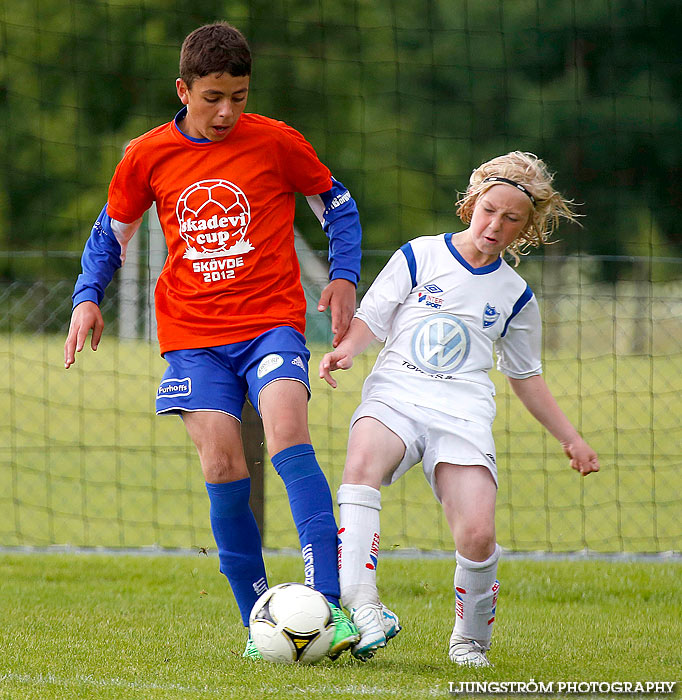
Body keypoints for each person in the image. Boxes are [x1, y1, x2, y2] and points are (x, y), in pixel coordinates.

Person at [64, 22, 362, 660]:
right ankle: (260, 621)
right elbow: (109, 232)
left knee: (288, 435)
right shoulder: (146, 156)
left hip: (271, 323)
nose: (227, 111)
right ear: (184, 89)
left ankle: (331, 608)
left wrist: (342, 278)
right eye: (213, 97)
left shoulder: (278, 143)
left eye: (240, 96)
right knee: (223, 464)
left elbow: (337, 205)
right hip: (192, 337)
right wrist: (87, 297)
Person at [319, 151, 600, 665]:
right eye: (489, 209)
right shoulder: (418, 255)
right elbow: (374, 319)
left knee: (477, 532)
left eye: (512, 218)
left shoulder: (516, 298)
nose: (496, 225)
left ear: (527, 227)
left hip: (462, 414)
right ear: (472, 202)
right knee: (361, 465)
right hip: (396, 396)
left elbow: (526, 376)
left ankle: (469, 642)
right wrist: (345, 351)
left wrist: (571, 437)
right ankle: (362, 605)